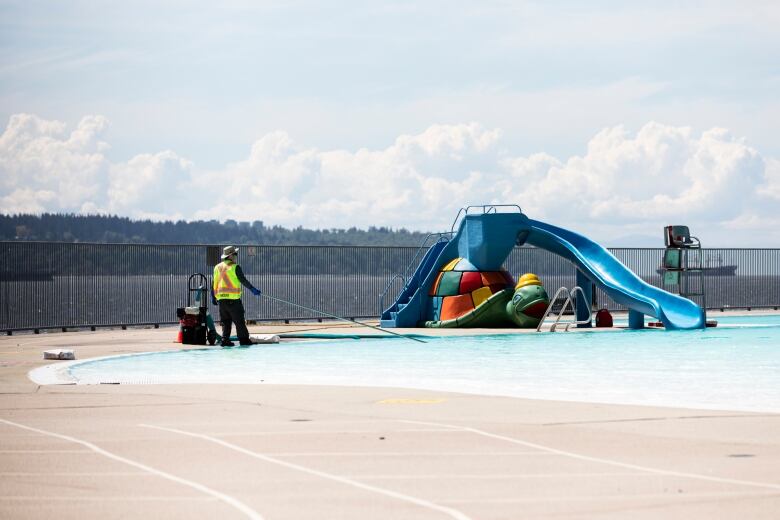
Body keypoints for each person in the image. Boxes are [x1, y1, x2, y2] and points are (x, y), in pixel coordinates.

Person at [212, 245, 261, 346]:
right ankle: (244, 340)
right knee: (239, 321)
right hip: (233, 300)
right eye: (235, 254)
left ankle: (225, 340)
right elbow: (243, 280)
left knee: (225, 322)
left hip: (221, 300)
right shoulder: (235, 267)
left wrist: (212, 296)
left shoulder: (217, 267)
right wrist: (252, 289)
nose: (236, 256)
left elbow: (213, 283)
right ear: (230, 256)